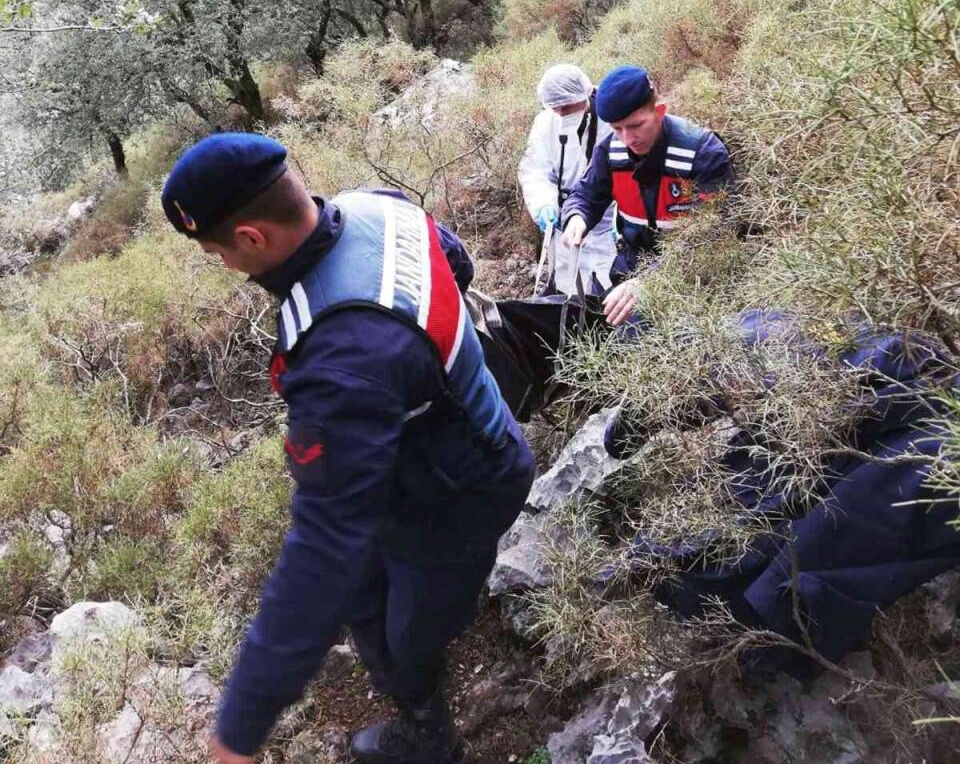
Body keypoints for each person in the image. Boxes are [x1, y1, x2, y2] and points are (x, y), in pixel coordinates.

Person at [161, 134, 535, 764]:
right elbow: (457, 264)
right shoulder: (378, 207)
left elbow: (322, 553)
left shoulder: (343, 361)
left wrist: (238, 731)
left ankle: (429, 736)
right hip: (441, 443)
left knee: (406, 639)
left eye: (216, 250)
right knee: (366, 595)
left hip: (459, 490)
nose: (223, 264)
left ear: (252, 238)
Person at [561, 65, 731, 326]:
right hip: (631, 266)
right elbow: (586, 194)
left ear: (660, 112)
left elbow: (710, 237)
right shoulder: (610, 150)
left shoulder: (704, 153)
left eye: (635, 126)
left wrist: (650, 281)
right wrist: (577, 218)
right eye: (617, 128)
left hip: (691, 276)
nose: (627, 138)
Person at [517, 63, 615, 295]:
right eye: (555, 107)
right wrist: (543, 205)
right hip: (564, 222)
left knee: (608, 286)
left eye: (567, 107)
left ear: (587, 93)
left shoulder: (611, 120)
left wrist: (621, 220)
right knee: (568, 285)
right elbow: (535, 170)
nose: (561, 113)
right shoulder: (545, 123)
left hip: (607, 220)